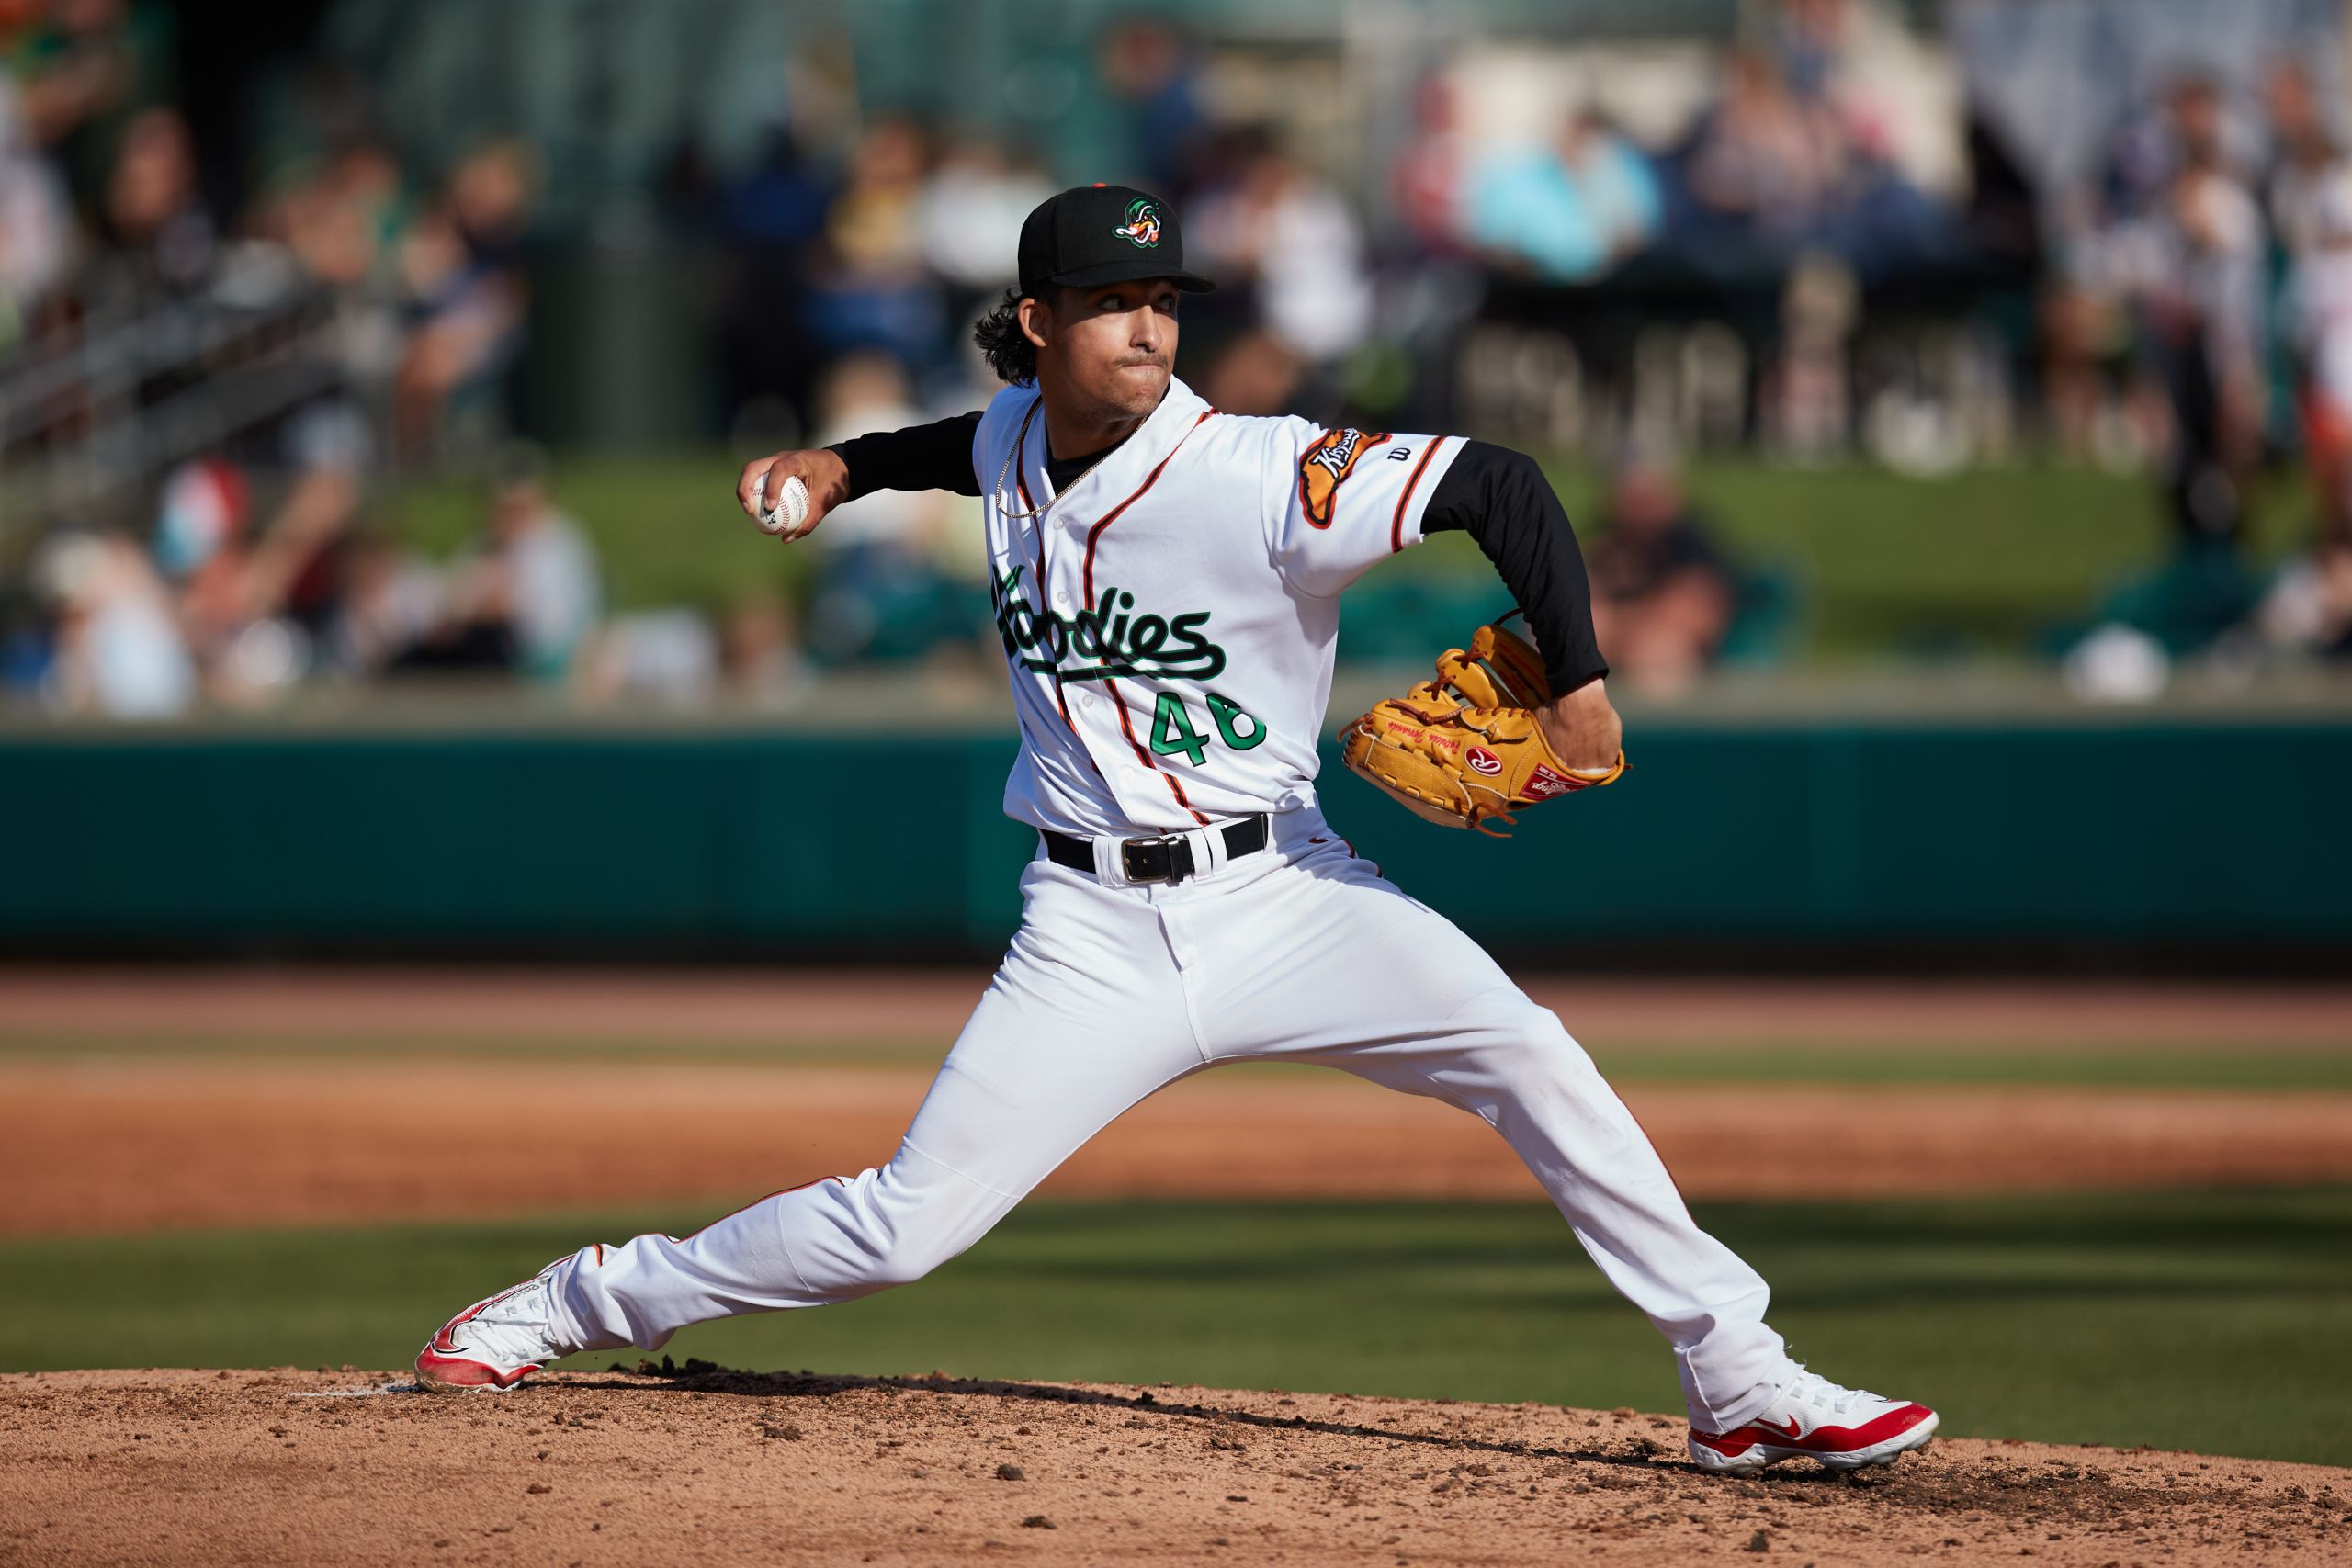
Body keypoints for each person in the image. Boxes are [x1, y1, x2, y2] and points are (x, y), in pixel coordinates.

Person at [413, 185, 1939, 1476]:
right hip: (1088, 933)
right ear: (1034, 324)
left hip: (1287, 893)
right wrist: (841, 468)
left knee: (1529, 1053)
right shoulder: (1017, 439)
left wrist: (1584, 683)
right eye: (1110, 301)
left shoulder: (1258, 472)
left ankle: (1736, 1376)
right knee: (901, 1232)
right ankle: (583, 1300)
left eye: (1163, 298)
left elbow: (1501, 482)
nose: (1147, 326)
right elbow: (963, 447)